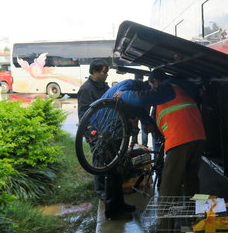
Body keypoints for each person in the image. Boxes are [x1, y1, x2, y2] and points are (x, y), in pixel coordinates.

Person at [114, 69, 206, 198]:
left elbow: (142, 98)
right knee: (192, 180)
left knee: (169, 185)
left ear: (155, 82)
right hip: (199, 137)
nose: (152, 89)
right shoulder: (180, 89)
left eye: (151, 86)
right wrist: (156, 129)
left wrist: (124, 95)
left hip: (181, 139)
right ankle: (197, 215)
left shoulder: (166, 87)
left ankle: (165, 218)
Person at [92, 79, 155, 219]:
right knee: (112, 170)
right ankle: (112, 212)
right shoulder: (132, 84)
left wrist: (149, 123)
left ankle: (120, 204)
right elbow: (128, 97)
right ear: (148, 85)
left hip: (113, 128)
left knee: (118, 169)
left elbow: (139, 110)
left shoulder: (136, 87)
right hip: (108, 130)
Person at [77, 59, 110, 199]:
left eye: (107, 72)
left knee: (108, 158)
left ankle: (108, 187)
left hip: (106, 128)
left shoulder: (105, 87)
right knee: (98, 159)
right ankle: (100, 189)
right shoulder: (86, 89)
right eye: (104, 72)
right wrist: (90, 133)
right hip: (94, 131)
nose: (106, 75)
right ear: (95, 71)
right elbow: (83, 114)